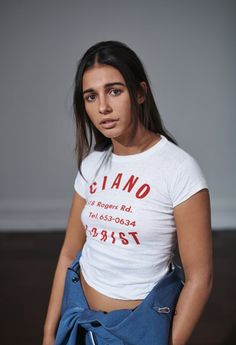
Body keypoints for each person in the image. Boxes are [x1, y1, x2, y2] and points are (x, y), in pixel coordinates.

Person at [42, 41, 213, 345]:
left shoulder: (179, 169)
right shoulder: (92, 165)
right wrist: (49, 333)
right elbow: (69, 252)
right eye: (91, 96)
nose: (103, 107)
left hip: (137, 331)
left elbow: (201, 277)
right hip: (79, 316)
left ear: (140, 93)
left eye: (115, 91)